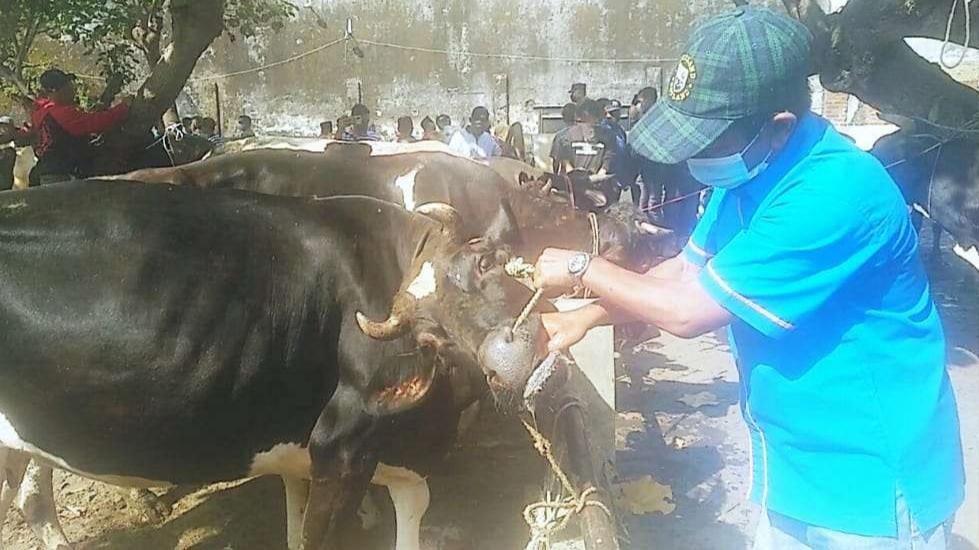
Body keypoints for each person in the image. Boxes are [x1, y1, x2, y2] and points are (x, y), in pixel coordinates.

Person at [533, 8, 963, 550]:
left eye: (706, 138)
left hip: (868, 482)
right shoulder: (750, 178)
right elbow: (683, 273)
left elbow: (688, 312)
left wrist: (583, 268)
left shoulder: (833, 192)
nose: (692, 155)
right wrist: (585, 316)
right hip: (794, 467)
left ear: (778, 123)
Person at [29, 68, 129, 186]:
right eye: (66, 86)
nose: (72, 89)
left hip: (44, 173)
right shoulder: (62, 114)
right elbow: (98, 122)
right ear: (55, 92)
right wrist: (124, 107)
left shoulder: (42, 114)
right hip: (61, 177)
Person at [550, 99, 613, 176]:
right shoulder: (565, 137)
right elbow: (564, 161)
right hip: (571, 184)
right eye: (584, 122)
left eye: (596, 123)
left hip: (596, 184)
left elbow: (606, 163)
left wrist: (598, 177)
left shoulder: (607, 137)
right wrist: (574, 176)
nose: (592, 128)